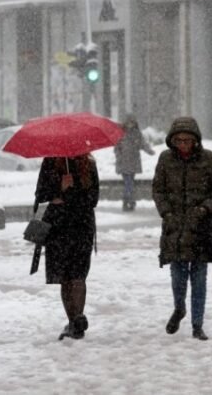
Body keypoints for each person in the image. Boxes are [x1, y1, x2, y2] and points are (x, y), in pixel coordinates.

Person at [151, 116, 212, 341]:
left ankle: (197, 324)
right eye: (179, 140)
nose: (183, 144)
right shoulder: (165, 160)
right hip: (175, 228)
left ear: (195, 141)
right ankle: (179, 307)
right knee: (178, 275)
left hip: (201, 228)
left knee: (199, 278)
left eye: (187, 140)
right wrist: (167, 213)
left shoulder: (208, 159)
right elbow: (158, 190)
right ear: (172, 141)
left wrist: (205, 209)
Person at [34, 154, 99, 340]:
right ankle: (76, 320)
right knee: (73, 276)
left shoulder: (88, 165)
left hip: (72, 226)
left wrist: (68, 193)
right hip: (63, 228)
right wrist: (60, 187)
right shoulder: (51, 163)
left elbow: (93, 198)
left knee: (72, 276)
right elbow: (41, 196)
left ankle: (75, 320)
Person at [114, 114, 154, 211]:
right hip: (123, 162)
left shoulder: (137, 133)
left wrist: (149, 151)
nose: (130, 124)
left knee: (129, 182)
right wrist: (119, 157)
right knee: (129, 182)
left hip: (133, 162)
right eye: (128, 122)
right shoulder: (121, 133)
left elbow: (142, 144)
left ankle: (127, 201)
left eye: (132, 122)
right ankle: (130, 201)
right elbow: (116, 148)